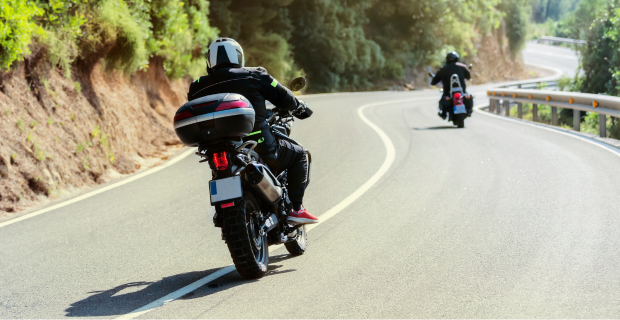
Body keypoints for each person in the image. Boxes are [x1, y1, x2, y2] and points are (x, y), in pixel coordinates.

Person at [187, 37, 318, 225]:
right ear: (239, 56)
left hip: (218, 151)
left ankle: (223, 216)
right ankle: (296, 209)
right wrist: (297, 106)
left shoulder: (197, 86)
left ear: (210, 60)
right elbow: (284, 97)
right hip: (260, 146)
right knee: (299, 154)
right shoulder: (255, 74)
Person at [431, 51, 473, 119]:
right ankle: (469, 111)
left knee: (444, 99)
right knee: (468, 97)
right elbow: (468, 77)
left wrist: (433, 81)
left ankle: (444, 113)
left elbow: (434, 81)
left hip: (447, 92)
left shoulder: (443, 69)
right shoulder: (462, 67)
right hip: (461, 90)